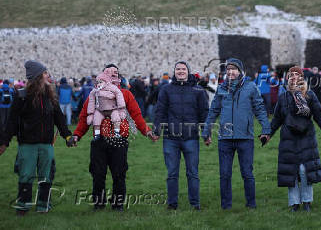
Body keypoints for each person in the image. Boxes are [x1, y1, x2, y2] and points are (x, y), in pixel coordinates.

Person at [73, 64, 153, 211]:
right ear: (104, 75)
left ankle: (118, 204)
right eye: (110, 72)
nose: (114, 74)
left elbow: (136, 115)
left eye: (116, 72)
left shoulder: (125, 94)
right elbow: (85, 116)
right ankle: (99, 203)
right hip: (99, 140)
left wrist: (147, 131)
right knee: (98, 174)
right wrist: (77, 135)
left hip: (119, 140)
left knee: (119, 174)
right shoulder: (95, 93)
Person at [0, 60, 76, 215]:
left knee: (46, 176)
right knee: (26, 175)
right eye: (45, 73)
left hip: (46, 144)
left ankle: (43, 206)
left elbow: (59, 118)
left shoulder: (50, 96)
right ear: (37, 77)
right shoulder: (21, 96)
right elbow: (12, 121)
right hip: (27, 144)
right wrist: (4, 142)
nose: (48, 75)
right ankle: (23, 205)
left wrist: (67, 136)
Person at [202, 58, 271, 209]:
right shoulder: (221, 88)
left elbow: (259, 109)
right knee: (225, 175)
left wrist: (266, 129)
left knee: (247, 173)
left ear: (240, 71)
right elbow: (213, 111)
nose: (230, 72)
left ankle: (251, 205)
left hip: (245, 137)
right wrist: (206, 132)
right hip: (225, 139)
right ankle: (226, 206)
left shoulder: (251, 87)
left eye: (233, 69)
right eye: (228, 69)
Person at [268, 66, 321, 212]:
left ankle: (307, 201)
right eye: (291, 75)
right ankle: (294, 203)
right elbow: (277, 118)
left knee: (304, 170)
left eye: (297, 74)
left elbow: (319, 114)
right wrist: (268, 133)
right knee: (292, 171)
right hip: (288, 139)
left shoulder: (309, 95)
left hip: (306, 138)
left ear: (301, 77)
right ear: (287, 78)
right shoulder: (283, 97)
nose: (294, 77)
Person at [153, 61, 209, 210]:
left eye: (183, 69)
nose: (180, 71)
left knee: (193, 173)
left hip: (191, 138)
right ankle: (172, 204)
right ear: (174, 72)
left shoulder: (198, 90)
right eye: (178, 69)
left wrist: (206, 133)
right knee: (172, 173)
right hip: (171, 138)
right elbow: (160, 111)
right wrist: (157, 131)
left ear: (188, 71)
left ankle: (195, 204)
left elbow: (204, 113)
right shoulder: (166, 90)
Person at [87, 68, 127, 140]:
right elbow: (91, 101)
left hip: (112, 108)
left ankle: (117, 133)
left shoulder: (112, 88)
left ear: (106, 82)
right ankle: (97, 135)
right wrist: (90, 113)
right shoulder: (95, 91)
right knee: (96, 119)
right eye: (98, 82)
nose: (99, 84)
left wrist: (121, 107)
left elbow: (119, 94)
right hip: (100, 110)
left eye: (101, 82)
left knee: (116, 117)